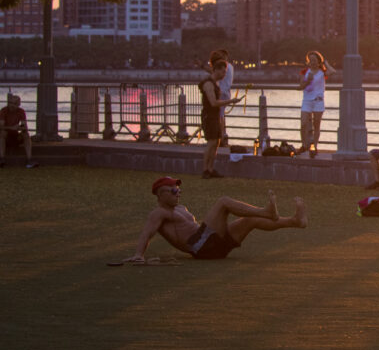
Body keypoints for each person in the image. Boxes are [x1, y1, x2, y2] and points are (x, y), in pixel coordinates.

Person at [125, 177, 308, 262]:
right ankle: (266, 212)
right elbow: (146, 233)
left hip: (213, 247)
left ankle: (295, 221)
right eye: (173, 191)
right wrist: (138, 254)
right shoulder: (159, 213)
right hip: (200, 246)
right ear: (160, 194)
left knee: (250, 221)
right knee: (223, 202)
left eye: (178, 190)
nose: (178, 194)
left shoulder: (180, 208)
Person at [199, 61, 240, 179]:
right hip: (209, 116)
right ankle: (205, 169)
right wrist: (231, 101)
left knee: (216, 142)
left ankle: (211, 168)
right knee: (211, 142)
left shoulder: (216, 83)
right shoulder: (209, 84)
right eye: (223, 71)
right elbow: (213, 103)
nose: (224, 74)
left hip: (216, 115)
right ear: (216, 70)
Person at [299, 50, 331, 159]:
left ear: (318, 61)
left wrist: (325, 63)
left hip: (318, 101)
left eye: (314, 60)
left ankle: (314, 147)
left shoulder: (322, 72)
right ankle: (304, 145)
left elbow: (332, 72)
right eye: (310, 60)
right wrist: (308, 81)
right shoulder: (305, 72)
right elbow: (300, 86)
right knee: (303, 123)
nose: (312, 62)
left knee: (316, 125)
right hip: (307, 100)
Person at [209, 48, 235, 150]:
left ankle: (220, 138)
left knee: (219, 117)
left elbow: (215, 73)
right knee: (221, 116)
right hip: (226, 93)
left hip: (221, 93)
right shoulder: (231, 66)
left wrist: (202, 66)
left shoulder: (225, 67)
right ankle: (222, 137)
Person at [1, 92, 34, 167]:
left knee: (26, 134)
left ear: (18, 104)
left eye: (15, 104)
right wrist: (11, 128)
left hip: (15, 135)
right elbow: (1, 126)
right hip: (6, 136)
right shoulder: (3, 111)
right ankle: (2, 158)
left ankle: (29, 159)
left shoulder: (21, 111)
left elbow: (25, 127)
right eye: (10, 103)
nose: (12, 105)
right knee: (2, 133)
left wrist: (19, 127)